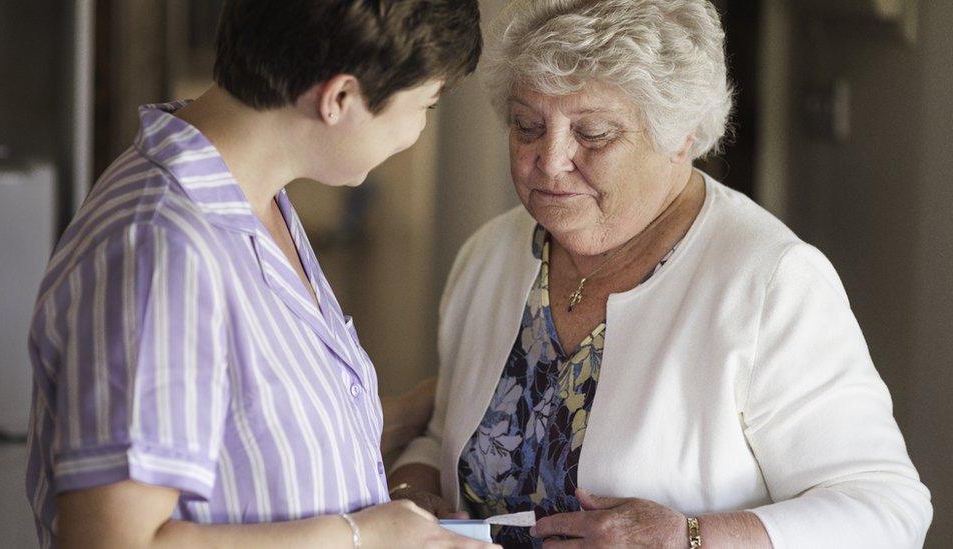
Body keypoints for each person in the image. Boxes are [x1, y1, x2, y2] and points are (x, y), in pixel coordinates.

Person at [389, 0, 933, 547]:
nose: (550, 161)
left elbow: (887, 507)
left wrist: (688, 537)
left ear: (682, 137)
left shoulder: (773, 282)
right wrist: (412, 488)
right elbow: (445, 435)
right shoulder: (489, 255)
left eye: (594, 134)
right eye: (527, 127)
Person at [24, 1, 497, 547]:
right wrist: (359, 537)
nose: (416, 128)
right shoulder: (164, 249)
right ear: (340, 98)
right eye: (425, 106)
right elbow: (113, 541)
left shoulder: (252, 198)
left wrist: (413, 412)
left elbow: (239, 439)